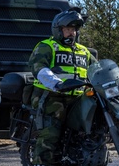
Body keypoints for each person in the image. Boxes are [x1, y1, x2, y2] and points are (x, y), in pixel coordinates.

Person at [28, 9, 97, 166]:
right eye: (67, 29)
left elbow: (97, 69)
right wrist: (57, 83)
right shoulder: (47, 46)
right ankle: (41, 162)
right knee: (50, 134)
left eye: (73, 30)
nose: (71, 33)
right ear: (58, 30)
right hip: (52, 96)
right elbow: (39, 68)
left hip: (78, 97)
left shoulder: (83, 51)